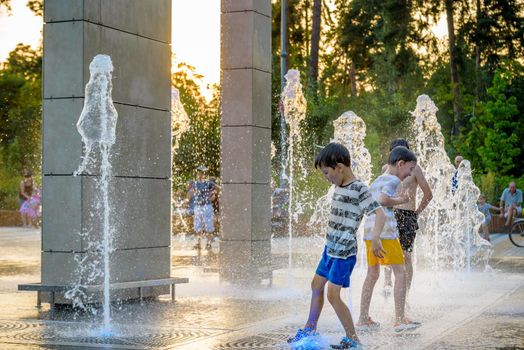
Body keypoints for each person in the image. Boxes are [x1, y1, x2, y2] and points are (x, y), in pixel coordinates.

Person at [287, 142, 386, 350]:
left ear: (340, 168)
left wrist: (376, 238)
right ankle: (310, 328)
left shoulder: (359, 188)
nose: (327, 178)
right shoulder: (339, 186)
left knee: (333, 294)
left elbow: (379, 212)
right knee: (316, 285)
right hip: (330, 249)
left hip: (344, 253)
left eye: (327, 173)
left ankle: (353, 339)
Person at [358, 146, 420, 333]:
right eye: (409, 169)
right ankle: (400, 319)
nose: (409, 174)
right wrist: (401, 200)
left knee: (372, 273)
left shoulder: (377, 179)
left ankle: (362, 318)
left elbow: (371, 202)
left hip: (371, 234)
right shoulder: (393, 180)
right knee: (400, 271)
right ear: (400, 164)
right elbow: (384, 200)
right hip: (385, 233)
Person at [383, 139, 433, 299]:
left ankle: (406, 292)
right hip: (390, 214)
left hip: (407, 214)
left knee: (406, 255)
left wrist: (417, 212)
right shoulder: (386, 169)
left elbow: (428, 194)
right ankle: (387, 283)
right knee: (387, 250)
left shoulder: (415, 169)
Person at [188, 165, 217, 250]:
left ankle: (208, 243)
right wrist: (187, 199)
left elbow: (217, 189)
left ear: (205, 173)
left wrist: (213, 196)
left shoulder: (209, 183)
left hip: (207, 206)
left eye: (202, 172)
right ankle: (198, 243)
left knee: (209, 226)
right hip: (198, 206)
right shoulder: (195, 183)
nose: (200, 174)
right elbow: (190, 192)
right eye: (199, 172)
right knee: (197, 225)